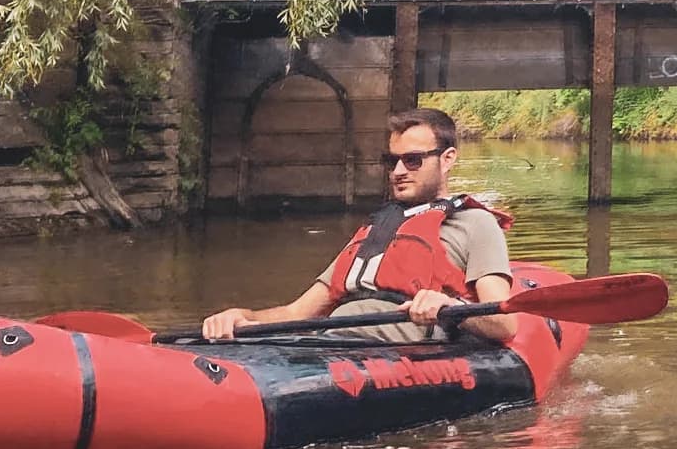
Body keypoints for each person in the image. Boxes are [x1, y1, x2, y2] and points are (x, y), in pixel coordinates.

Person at [201, 106, 517, 345]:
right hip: (329, 342)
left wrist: (451, 305)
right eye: (390, 160)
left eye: (413, 160)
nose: (397, 171)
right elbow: (296, 313)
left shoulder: (475, 224)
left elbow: (505, 325)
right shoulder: (376, 229)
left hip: (393, 350)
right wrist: (243, 317)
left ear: (447, 159)